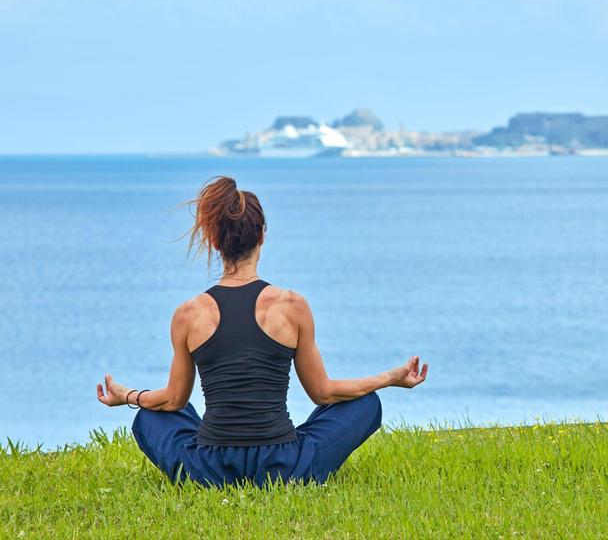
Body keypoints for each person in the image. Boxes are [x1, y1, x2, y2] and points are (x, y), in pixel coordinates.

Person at [96, 175, 428, 487]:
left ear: (214, 241)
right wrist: (389, 378)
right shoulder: (292, 305)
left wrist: (127, 397)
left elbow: (172, 399)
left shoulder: (188, 314)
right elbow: (324, 393)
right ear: (262, 235)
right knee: (365, 403)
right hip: (284, 465)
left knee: (152, 415)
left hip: (209, 467)